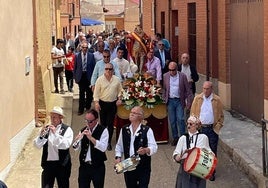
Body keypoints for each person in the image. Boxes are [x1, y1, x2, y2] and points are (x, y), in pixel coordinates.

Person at [115, 106, 158, 188]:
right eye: (131, 112)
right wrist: (118, 157)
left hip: (143, 166)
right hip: (128, 164)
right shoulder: (124, 129)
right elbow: (119, 146)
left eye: (134, 113)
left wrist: (146, 150)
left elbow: (154, 147)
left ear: (140, 116)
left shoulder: (147, 130)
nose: (131, 114)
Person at [190, 81, 224, 181]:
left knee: (212, 151)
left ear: (211, 89)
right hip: (201, 128)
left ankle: (212, 172)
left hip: (212, 129)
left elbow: (221, 116)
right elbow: (192, 113)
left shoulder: (217, 100)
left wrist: (217, 126)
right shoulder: (198, 98)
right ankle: (201, 170)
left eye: (207, 89)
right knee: (199, 151)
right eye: (204, 88)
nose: (205, 90)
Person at [34, 106, 73, 188]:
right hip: (48, 164)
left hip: (62, 165)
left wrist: (55, 133)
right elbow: (37, 145)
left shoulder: (67, 130)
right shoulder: (47, 129)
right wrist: (41, 135)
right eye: (51, 117)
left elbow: (65, 145)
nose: (52, 119)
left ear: (60, 118)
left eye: (54, 117)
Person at [173, 115, 212, 188]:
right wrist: (178, 157)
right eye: (187, 123)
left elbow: (209, 152)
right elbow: (176, 153)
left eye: (191, 124)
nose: (188, 126)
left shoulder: (203, 137)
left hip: (199, 169)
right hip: (185, 169)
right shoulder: (183, 138)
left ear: (197, 125)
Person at [73, 109, 108, 188]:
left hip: (97, 167)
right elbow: (75, 148)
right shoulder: (83, 130)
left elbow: (103, 147)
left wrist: (91, 138)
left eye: (90, 121)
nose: (88, 124)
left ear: (96, 120)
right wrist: (77, 140)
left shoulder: (103, 130)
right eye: (86, 121)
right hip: (84, 166)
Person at [93, 63, 123, 151]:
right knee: (103, 123)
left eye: (110, 69)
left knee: (110, 124)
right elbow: (96, 93)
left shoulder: (117, 80)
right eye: (106, 69)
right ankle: (102, 140)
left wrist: (119, 99)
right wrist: (96, 103)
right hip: (102, 104)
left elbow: (120, 91)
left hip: (112, 104)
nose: (108, 71)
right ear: (104, 70)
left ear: (113, 70)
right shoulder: (99, 80)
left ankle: (108, 142)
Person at [162, 61, 193, 146]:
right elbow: (164, 89)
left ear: (177, 69)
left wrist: (189, 102)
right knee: (172, 121)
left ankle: (183, 137)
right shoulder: (165, 76)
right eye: (170, 70)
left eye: (173, 70)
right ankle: (175, 137)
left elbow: (188, 90)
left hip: (179, 100)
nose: (171, 72)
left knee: (180, 119)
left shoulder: (182, 76)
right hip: (170, 101)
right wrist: (164, 98)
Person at [73, 41, 96, 115]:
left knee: (89, 94)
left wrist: (94, 78)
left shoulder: (91, 56)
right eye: (83, 47)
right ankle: (81, 109)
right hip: (81, 76)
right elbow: (75, 67)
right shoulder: (77, 56)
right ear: (81, 48)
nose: (84, 49)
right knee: (81, 93)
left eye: (86, 48)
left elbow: (94, 67)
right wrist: (75, 78)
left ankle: (88, 106)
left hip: (89, 76)